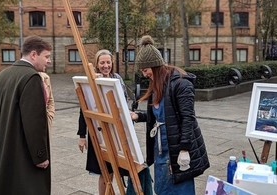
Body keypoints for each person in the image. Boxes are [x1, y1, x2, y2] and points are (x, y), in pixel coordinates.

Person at [130, 35, 210, 195]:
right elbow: (162, 115)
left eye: (145, 70)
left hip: (177, 148)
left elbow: (188, 118)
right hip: (161, 149)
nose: (145, 74)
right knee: (162, 189)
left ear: (154, 66)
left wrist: (185, 149)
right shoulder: (158, 85)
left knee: (180, 189)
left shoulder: (181, 84)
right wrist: (138, 116)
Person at [0, 36, 52, 195]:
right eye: (46, 56)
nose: (48, 61)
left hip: (5, 148)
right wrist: (41, 156)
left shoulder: (2, 75)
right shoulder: (31, 77)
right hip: (23, 154)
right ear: (33, 55)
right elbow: (35, 122)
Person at [77, 49, 128, 195]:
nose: (106, 65)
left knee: (119, 169)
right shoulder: (91, 82)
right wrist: (82, 136)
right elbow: (84, 110)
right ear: (97, 64)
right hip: (99, 132)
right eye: (102, 62)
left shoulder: (117, 78)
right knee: (105, 172)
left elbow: (123, 103)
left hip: (117, 132)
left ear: (112, 62)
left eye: (108, 62)